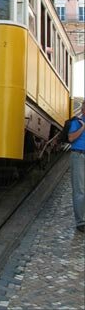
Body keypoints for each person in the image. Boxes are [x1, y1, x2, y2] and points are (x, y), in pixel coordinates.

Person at [68, 100, 85, 233]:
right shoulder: (76, 122)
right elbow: (71, 138)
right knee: (79, 190)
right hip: (78, 156)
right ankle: (81, 222)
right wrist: (83, 127)